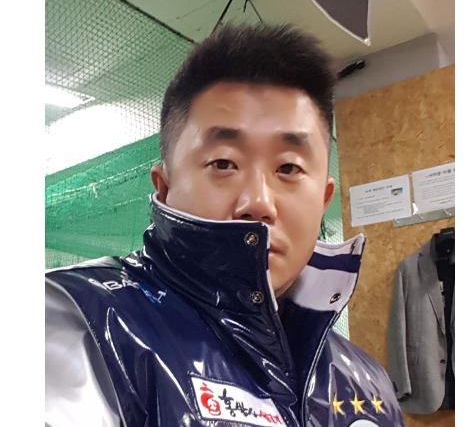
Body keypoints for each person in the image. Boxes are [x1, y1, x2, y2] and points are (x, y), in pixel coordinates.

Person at [46, 24, 404, 426]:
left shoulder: (367, 385)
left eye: (289, 168)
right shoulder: (76, 323)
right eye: (223, 163)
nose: (259, 202)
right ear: (164, 188)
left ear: (323, 199)